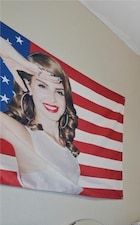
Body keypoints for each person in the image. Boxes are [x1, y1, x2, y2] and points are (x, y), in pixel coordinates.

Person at [0, 38, 82, 194]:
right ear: (28, 87)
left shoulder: (66, 147)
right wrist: (10, 57)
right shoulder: (24, 135)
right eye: (42, 86)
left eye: (59, 91)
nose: (52, 98)